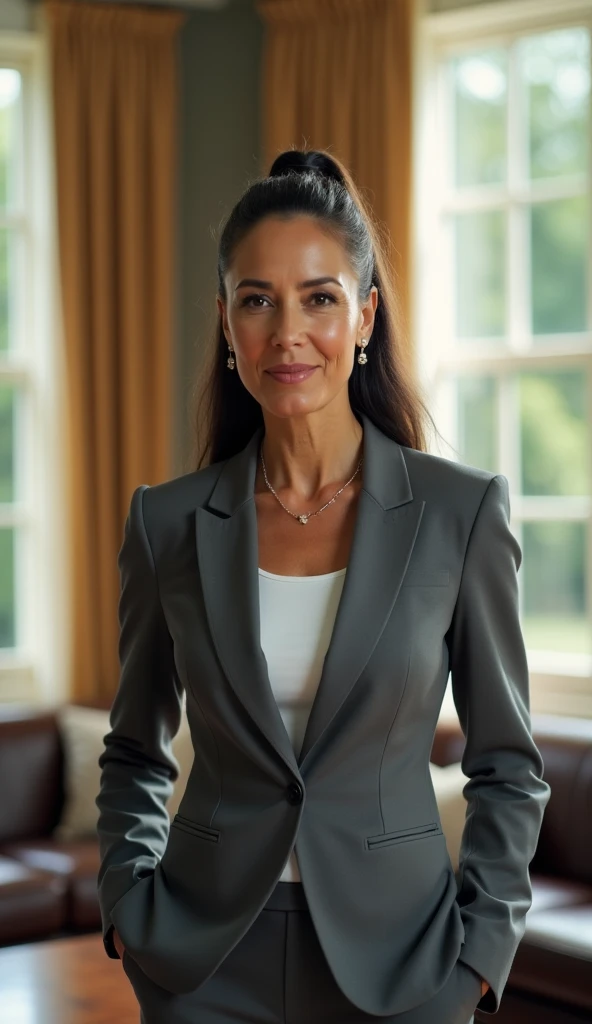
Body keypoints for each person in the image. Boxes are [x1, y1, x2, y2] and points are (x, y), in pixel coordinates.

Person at [96, 149, 551, 1024]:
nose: (287, 332)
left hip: (405, 967)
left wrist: (479, 960)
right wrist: (129, 912)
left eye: (320, 297)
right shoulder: (167, 522)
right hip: (201, 961)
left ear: (365, 315)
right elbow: (135, 749)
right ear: (227, 325)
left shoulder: (460, 515)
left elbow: (508, 765)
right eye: (256, 299)